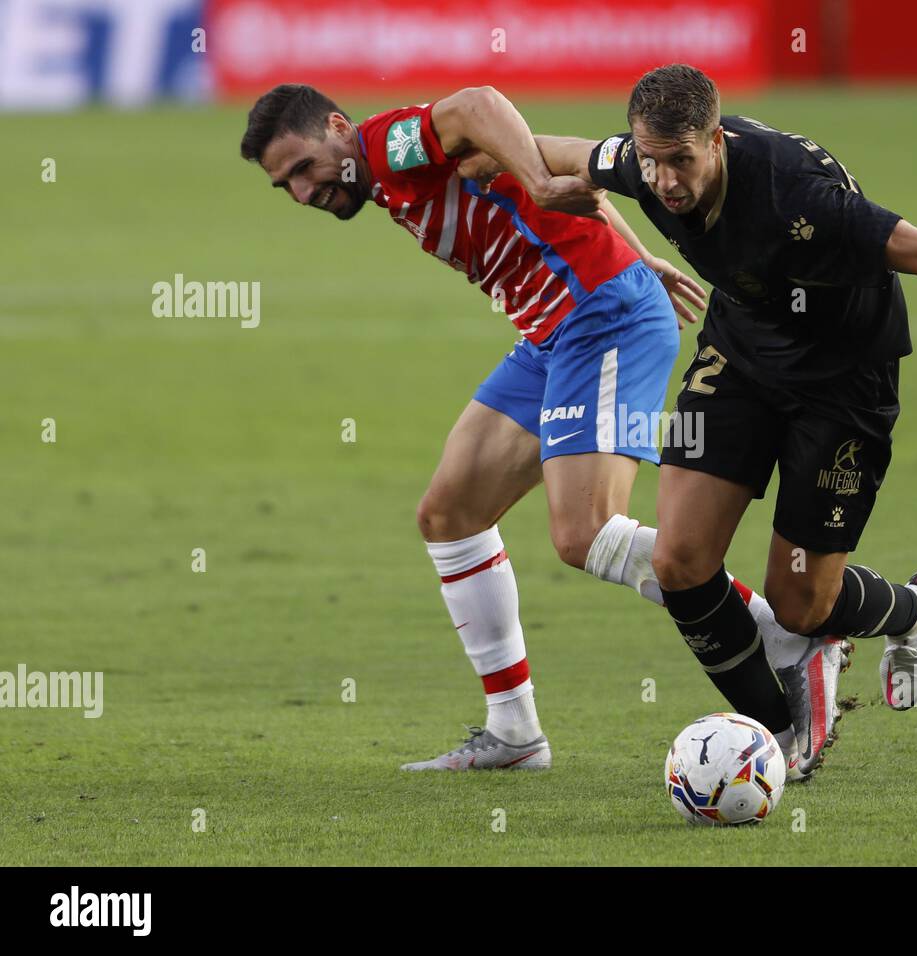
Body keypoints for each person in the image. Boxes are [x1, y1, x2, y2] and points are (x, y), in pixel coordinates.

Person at [467, 63, 917, 726]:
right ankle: (780, 727)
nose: (664, 181)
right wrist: (502, 161)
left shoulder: (801, 200)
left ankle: (914, 611)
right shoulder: (642, 163)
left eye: (681, 160)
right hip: (740, 354)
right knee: (679, 561)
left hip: (843, 378)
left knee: (800, 603)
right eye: (650, 161)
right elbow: (566, 150)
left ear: (717, 141)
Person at [238, 83, 848, 777]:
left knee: (583, 532)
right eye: (283, 183)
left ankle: (792, 640)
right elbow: (538, 186)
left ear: (339, 129)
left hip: (603, 318)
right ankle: (514, 733)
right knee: (450, 513)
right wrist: (631, 246)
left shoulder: (388, 145)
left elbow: (476, 103)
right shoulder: (380, 177)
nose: (300, 191)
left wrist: (541, 184)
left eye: (303, 168)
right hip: (553, 332)